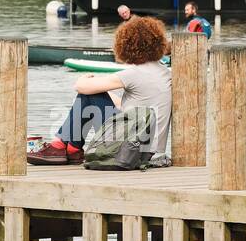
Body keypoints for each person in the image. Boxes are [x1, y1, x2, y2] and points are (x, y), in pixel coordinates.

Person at [28, 15, 171, 166]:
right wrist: (102, 92)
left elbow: (81, 87)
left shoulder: (134, 73)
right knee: (93, 93)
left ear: (128, 45)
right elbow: (129, 108)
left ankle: (63, 147)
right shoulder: (163, 72)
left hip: (129, 150)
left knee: (86, 93)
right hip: (146, 151)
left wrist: (84, 80)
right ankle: (70, 148)